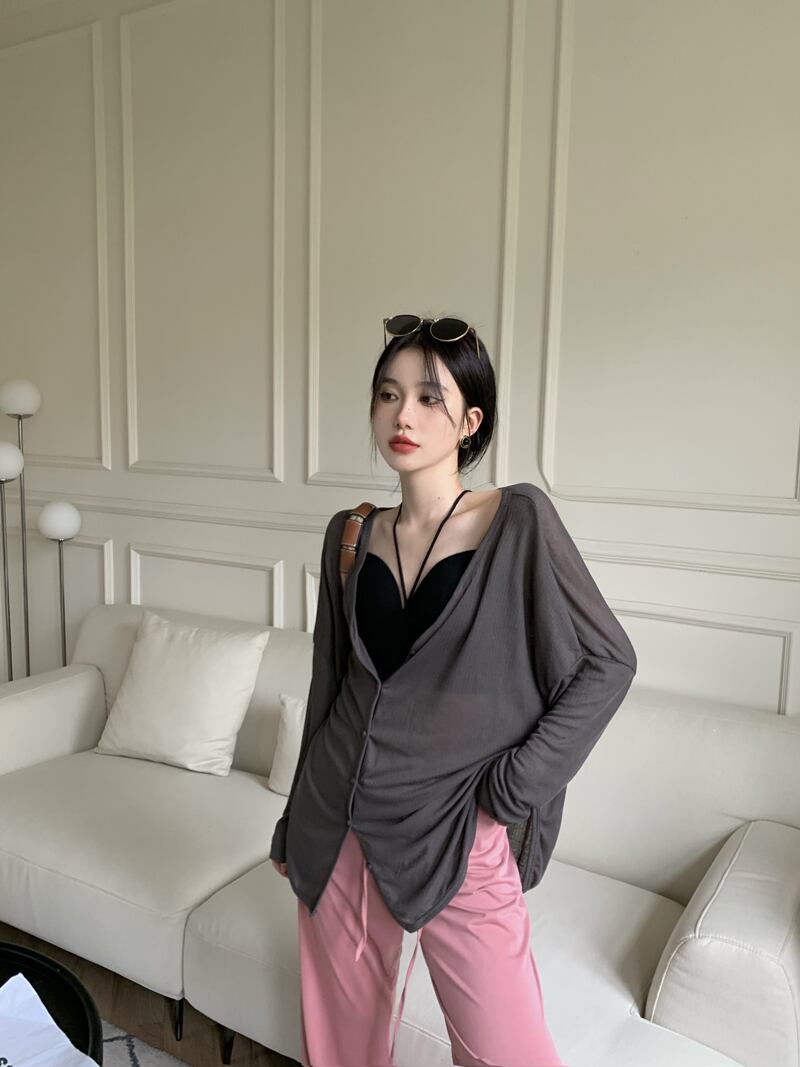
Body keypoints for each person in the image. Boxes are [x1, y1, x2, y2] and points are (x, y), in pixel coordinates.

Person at [271, 314, 637, 1067]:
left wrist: (509, 790)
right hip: (335, 817)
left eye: (429, 398)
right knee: (340, 1051)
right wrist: (289, 820)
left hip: (457, 829)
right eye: (388, 394)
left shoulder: (518, 521)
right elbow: (328, 681)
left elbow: (609, 662)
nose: (402, 415)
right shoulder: (350, 533)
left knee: (509, 1052)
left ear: (471, 420)